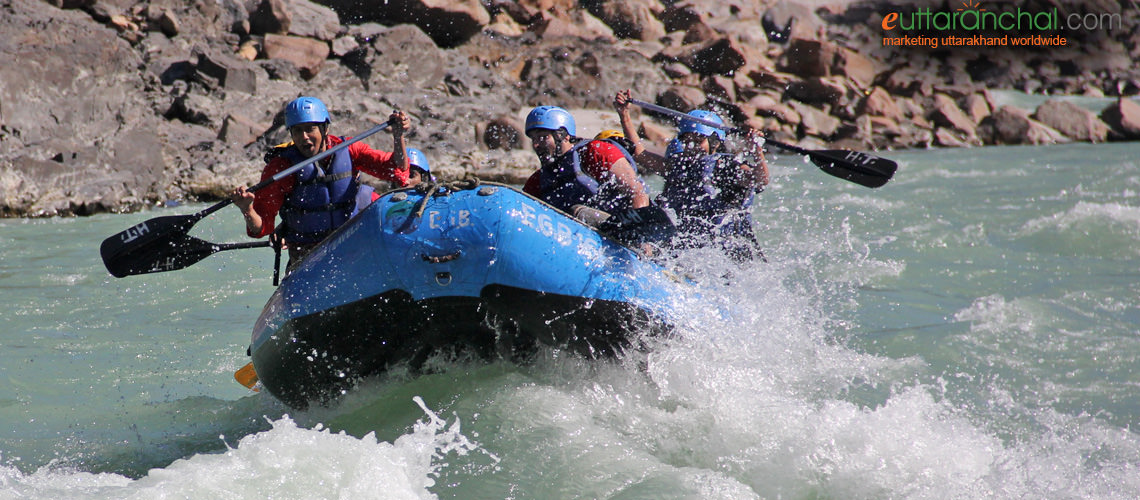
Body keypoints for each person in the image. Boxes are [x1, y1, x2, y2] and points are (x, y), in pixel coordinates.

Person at [231, 96, 411, 263]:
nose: (304, 137)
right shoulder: (281, 167)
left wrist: (398, 135)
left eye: (310, 129)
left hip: (352, 244)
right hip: (308, 254)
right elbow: (262, 227)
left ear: (325, 128)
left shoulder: (350, 150)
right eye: (297, 131)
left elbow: (396, 170)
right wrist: (247, 209)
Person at [614, 91, 770, 262]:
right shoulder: (677, 166)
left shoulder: (727, 167)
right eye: (687, 140)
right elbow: (640, 154)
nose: (691, 146)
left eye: (698, 141)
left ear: (715, 143)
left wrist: (757, 151)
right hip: (693, 250)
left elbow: (760, 180)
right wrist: (625, 115)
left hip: (729, 252)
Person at [521, 105, 649, 219]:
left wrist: (638, 237)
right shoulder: (537, 180)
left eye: (543, 137)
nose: (536, 144)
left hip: (621, 232)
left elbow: (637, 193)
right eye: (533, 139)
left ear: (564, 135)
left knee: (577, 212)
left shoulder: (595, 152)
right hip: (575, 236)